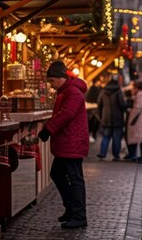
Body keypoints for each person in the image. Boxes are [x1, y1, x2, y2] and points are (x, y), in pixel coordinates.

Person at [38, 61, 89, 229]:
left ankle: (79, 215)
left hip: (71, 142)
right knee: (58, 174)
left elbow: (67, 114)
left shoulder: (72, 92)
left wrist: (48, 129)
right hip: (68, 142)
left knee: (75, 178)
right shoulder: (67, 91)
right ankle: (72, 209)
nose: (51, 86)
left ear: (61, 78)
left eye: (52, 81)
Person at [96, 76, 127, 161]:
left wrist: (101, 116)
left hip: (106, 119)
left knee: (105, 136)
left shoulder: (103, 92)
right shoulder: (118, 92)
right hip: (117, 119)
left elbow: (99, 105)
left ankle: (102, 153)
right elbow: (122, 104)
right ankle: (116, 155)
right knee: (116, 137)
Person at [125, 80, 142, 164]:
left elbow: (138, 107)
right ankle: (141, 156)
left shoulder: (140, 94)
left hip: (139, 120)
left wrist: (131, 113)